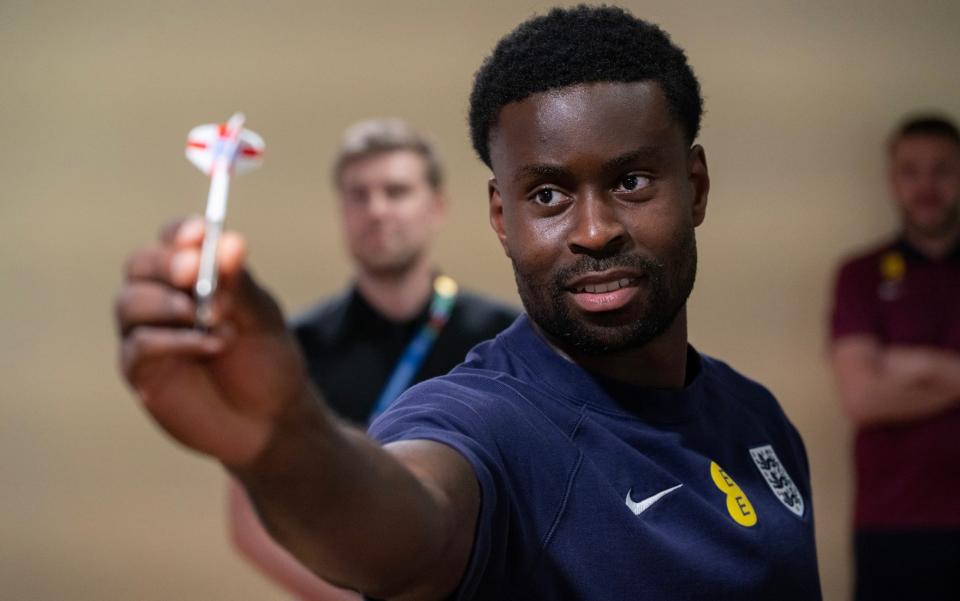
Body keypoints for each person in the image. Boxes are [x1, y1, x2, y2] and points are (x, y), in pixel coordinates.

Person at [116, 6, 821, 599]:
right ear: (499, 215)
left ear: (695, 186)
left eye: (633, 180)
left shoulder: (759, 418)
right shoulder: (483, 420)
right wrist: (282, 443)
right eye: (547, 195)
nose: (595, 230)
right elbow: (410, 522)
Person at [227, 118, 517, 600]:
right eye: (358, 195)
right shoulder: (292, 348)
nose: (376, 209)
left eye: (396, 191)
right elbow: (249, 520)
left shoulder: (504, 340)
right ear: (342, 211)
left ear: (436, 207)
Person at [829, 115, 960, 600]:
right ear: (893, 179)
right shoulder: (859, 276)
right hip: (895, 524)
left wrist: (915, 365)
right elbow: (862, 398)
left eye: (943, 170)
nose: (927, 185)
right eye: (912, 171)